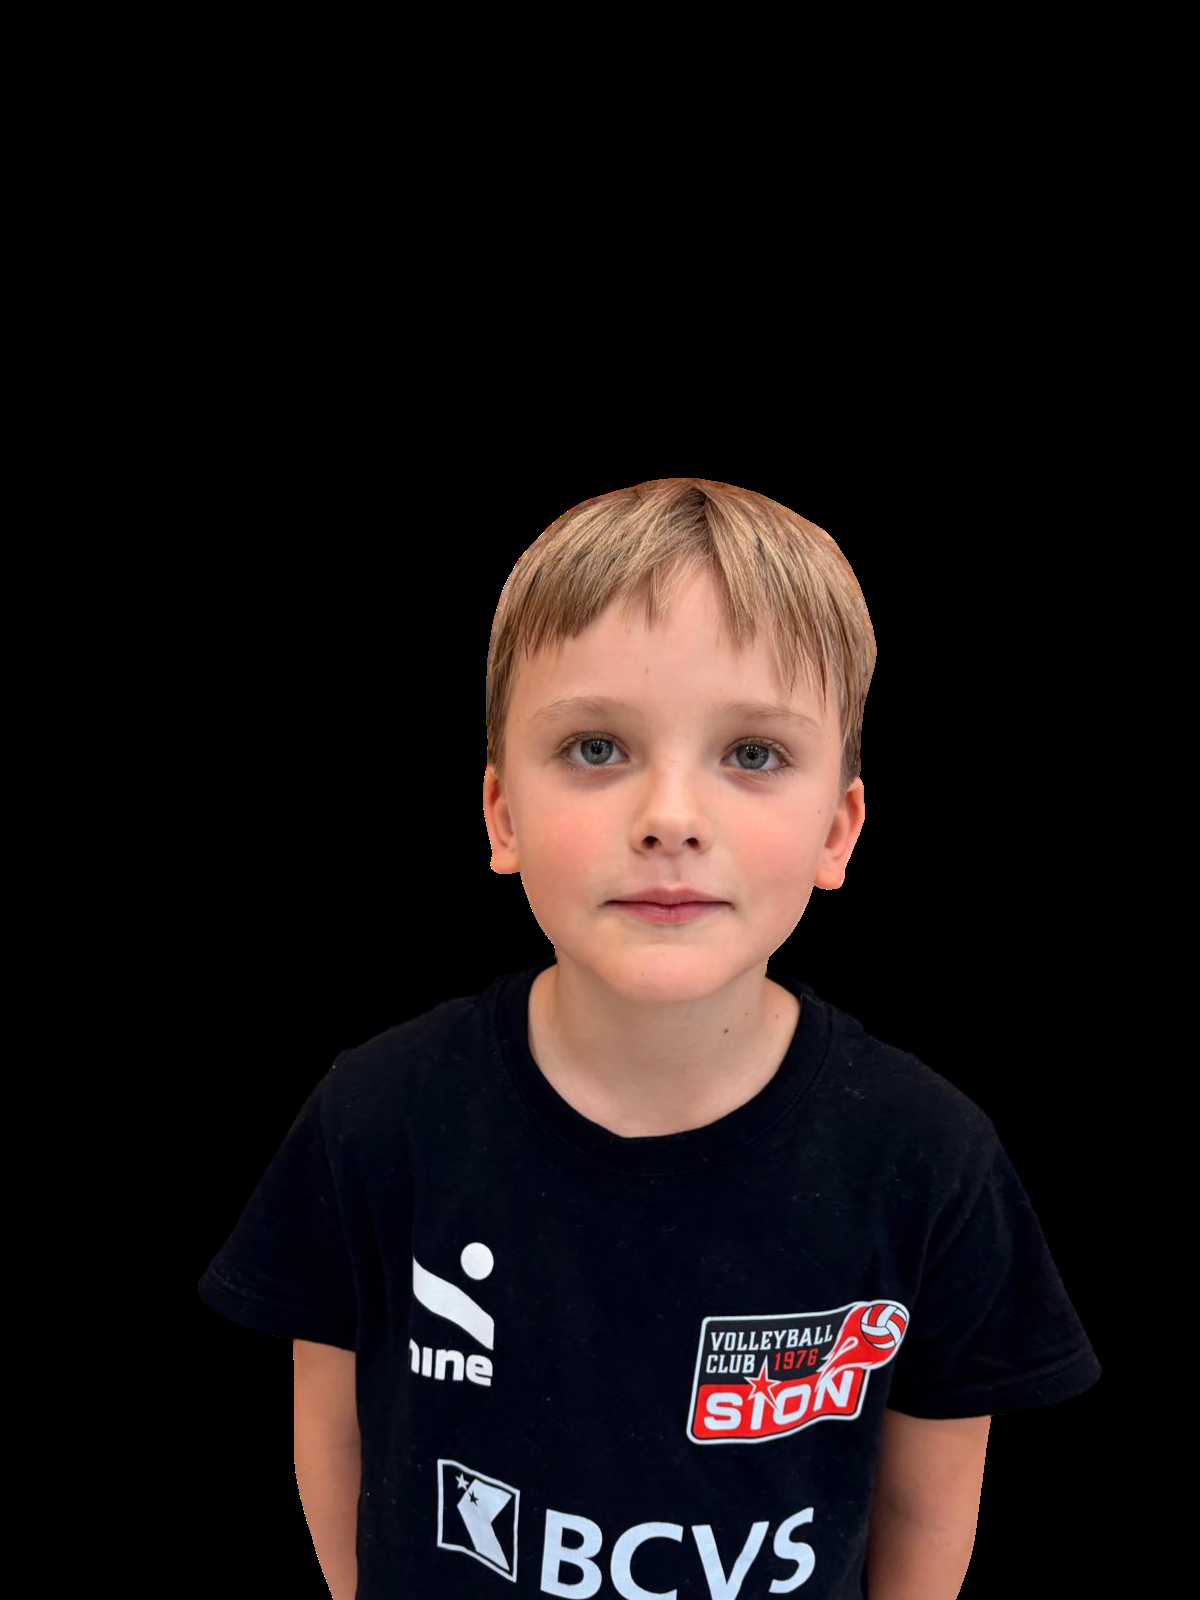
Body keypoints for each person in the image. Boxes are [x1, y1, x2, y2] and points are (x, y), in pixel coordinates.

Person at [197, 478, 1101, 1599]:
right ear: (502, 814)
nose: (670, 817)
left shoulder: (929, 1160)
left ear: (838, 827)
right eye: (596, 747)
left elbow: (923, 1509)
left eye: (753, 754)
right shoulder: (377, 1119)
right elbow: (335, 1441)